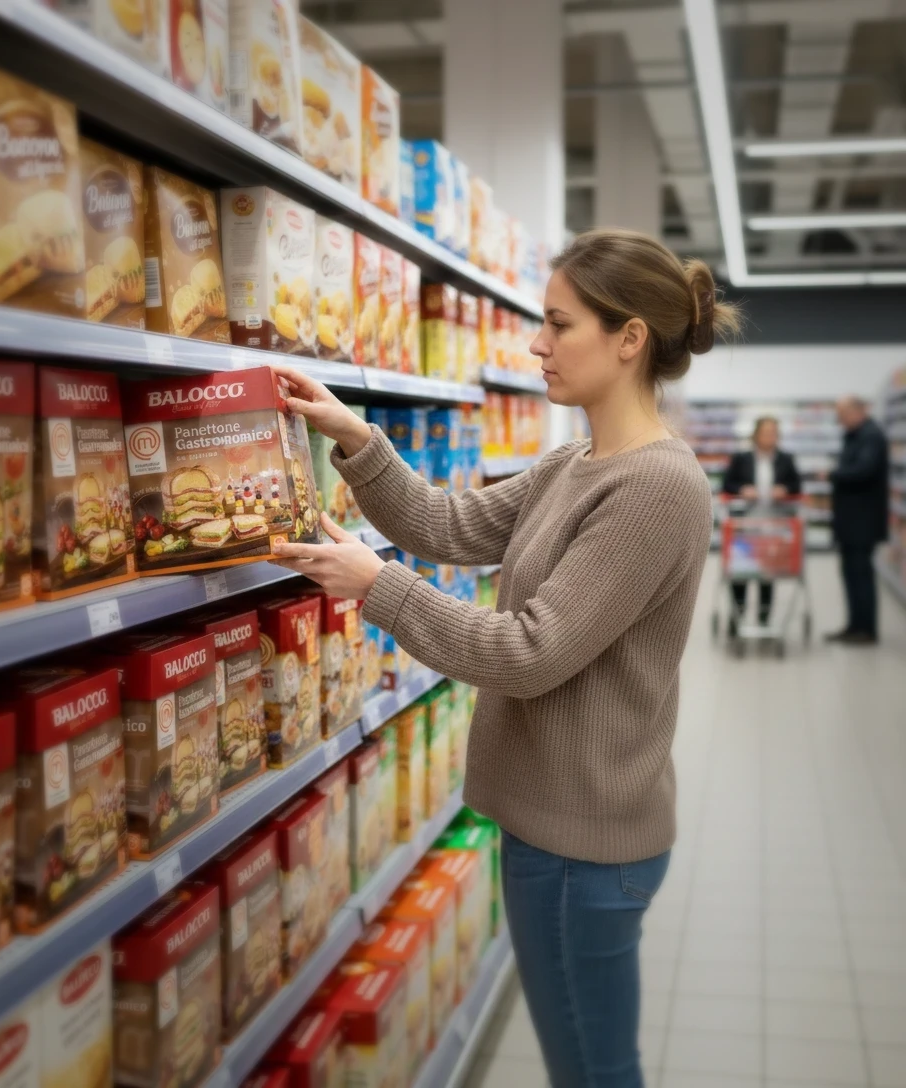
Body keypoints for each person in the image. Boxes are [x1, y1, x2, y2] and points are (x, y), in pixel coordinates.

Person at [268, 229, 739, 1088]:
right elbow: (449, 528)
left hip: (583, 848)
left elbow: (531, 652)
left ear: (629, 338)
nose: (534, 344)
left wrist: (379, 589)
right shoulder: (578, 460)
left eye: (558, 325)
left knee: (593, 1070)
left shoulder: (656, 486)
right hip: (555, 832)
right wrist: (353, 434)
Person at [721, 416, 802, 630]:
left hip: (774, 527)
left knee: (768, 574)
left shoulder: (786, 459)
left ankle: (764, 620)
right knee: (740, 574)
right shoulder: (741, 458)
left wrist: (785, 489)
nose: (770, 437)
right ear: (756, 435)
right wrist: (741, 490)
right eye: (766, 432)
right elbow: (727, 484)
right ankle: (737, 619)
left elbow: (796, 485)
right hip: (744, 526)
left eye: (774, 433)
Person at [826, 395, 889, 645]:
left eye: (842, 415)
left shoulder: (871, 436)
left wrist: (834, 473)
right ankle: (854, 625)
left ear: (856, 411)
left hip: (862, 523)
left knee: (860, 574)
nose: (839, 420)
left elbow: (863, 470)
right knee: (851, 573)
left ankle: (866, 630)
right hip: (851, 522)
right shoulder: (856, 435)